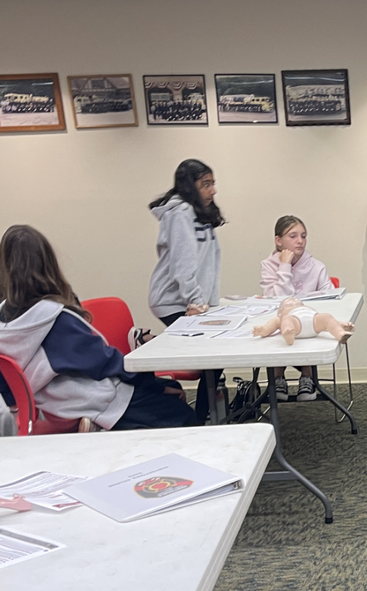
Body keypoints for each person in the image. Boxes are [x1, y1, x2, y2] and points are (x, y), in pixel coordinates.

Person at [0, 225, 198, 431]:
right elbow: (105, 362)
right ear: (46, 263)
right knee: (181, 414)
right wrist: (154, 384)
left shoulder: (5, 319)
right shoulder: (55, 319)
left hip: (50, 408)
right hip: (94, 402)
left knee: (166, 390)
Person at [147, 158, 225, 421]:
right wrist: (196, 302)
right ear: (190, 187)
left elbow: (208, 264)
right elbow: (183, 263)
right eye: (206, 184)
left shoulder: (199, 215)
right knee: (213, 361)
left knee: (216, 360)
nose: (212, 190)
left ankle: (204, 417)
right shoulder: (180, 214)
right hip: (173, 300)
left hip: (193, 300)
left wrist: (209, 303)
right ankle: (203, 419)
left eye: (213, 183)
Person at [259, 215, 333, 401]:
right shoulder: (268, 266)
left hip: (309, 322)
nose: (300, 241)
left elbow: (330, 298)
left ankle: (307, 376)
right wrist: (284, 266)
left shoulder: (316, 266)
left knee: (308, 327)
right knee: (278, 329)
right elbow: (277, 299)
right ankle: (277, 377)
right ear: (278, 240)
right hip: (283, 321)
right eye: (292, 236)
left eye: (303, 236)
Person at [252, 297, 354, 346]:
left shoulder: (304, 310)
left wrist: (340, 324)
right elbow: (270, 327)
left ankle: (340, 333)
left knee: (327, 317)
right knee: (287, 319)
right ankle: (288, 333)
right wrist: (263, 330)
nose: (294, 306)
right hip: (296, 324)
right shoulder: (281, 318)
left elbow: (329, 322)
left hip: (312, 320)